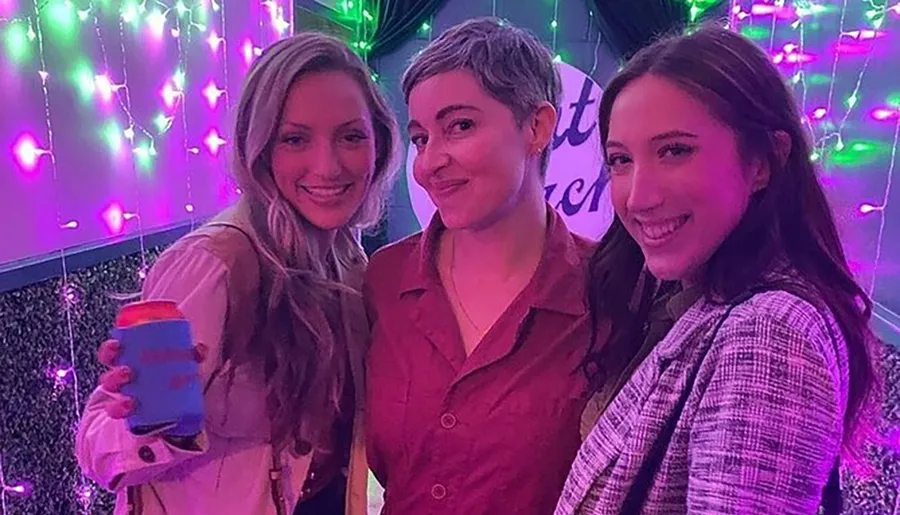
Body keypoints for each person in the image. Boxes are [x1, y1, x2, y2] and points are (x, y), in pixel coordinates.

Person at [556, 25, 879, 514]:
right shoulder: (698, 299)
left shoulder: (768, 333)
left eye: (675, 151)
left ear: (764, 162)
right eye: (620, 160)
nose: (639, 196)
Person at [75, 32, 399, 515]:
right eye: (295, 139)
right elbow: (98, 445)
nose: (327, 165)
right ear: (261, 148)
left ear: (379, 143)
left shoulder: (348, 259)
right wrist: (154, 424)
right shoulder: (214, 264)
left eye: (351, 136)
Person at [364, 17, 597, 515]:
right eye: (422, 138)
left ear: (536, 127)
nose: (427, 164)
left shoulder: (608, 289)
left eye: (460, 126)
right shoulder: (383, 280)